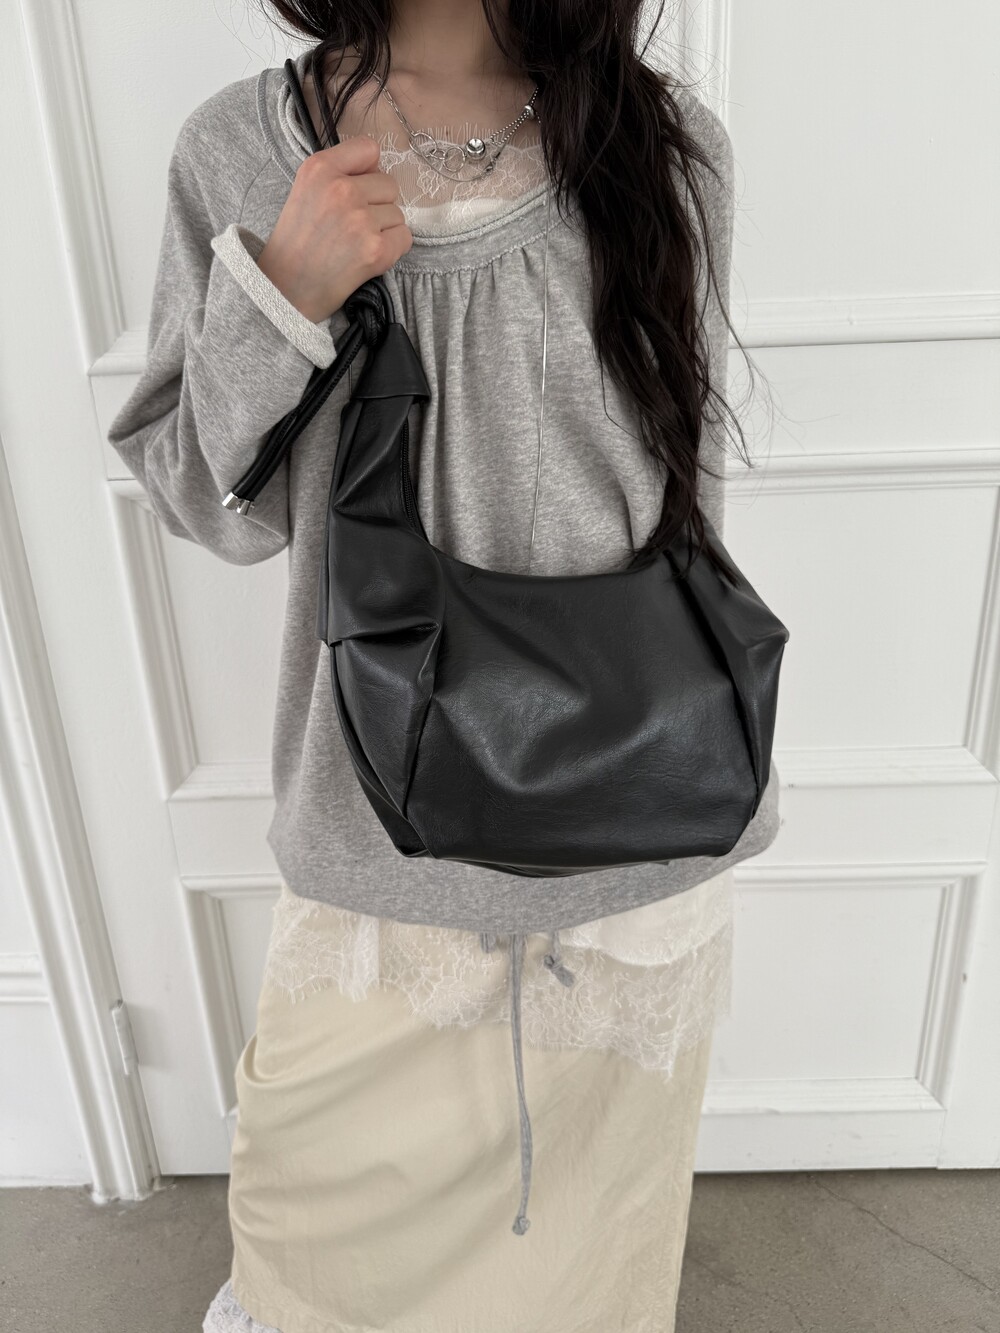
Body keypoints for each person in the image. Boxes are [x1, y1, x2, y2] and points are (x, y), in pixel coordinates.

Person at [107, 5, 780, 1330]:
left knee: (584, 1273)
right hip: (378, 848)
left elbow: (682, 510)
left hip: (630, 851)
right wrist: (281, 297)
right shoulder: (241, 150)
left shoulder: (663, 144)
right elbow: (205, 508)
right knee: (316, 1260)